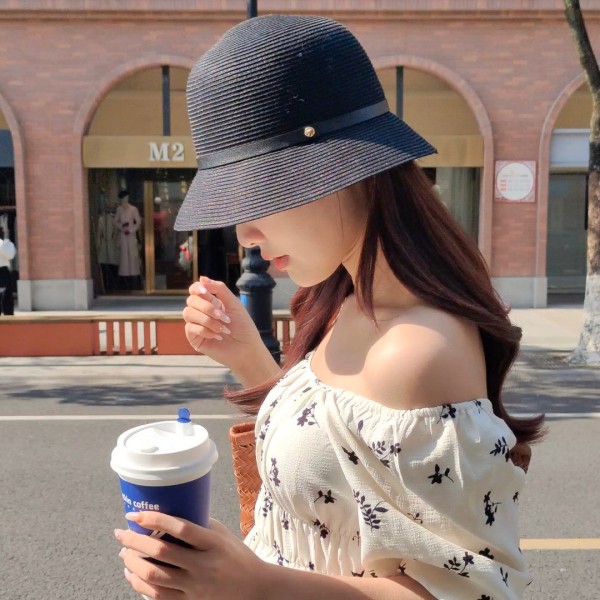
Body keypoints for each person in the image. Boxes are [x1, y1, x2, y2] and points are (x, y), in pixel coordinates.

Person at [114, 15, 545, 600]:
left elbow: (465, 591)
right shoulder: (344, 300)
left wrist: (255, 585)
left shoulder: (416, 351)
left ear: (338, 172)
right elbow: (336, 455)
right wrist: (249, 359)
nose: (245, 234)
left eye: (256, 194)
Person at [0, 225, 16, 315]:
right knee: (7, 298)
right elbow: (11, 255)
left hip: (3, 271)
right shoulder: (4, 244)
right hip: (3, 272)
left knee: (6, 297)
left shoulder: (4, 244)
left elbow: (10, 255)